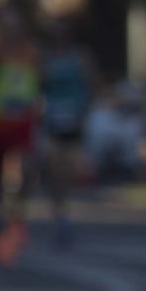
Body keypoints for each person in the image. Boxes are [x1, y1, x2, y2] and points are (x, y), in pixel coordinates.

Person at [0, 15, 43, 265]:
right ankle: (1, 224)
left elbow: (40, 83)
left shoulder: (31, 54)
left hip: (22, 123)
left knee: (18, 170)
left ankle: (15, 220)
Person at [38, 20, 98, 247]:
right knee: (55, 168)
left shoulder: (80, 56)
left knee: (70, 169)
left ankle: (65, 212)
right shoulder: (45, 58)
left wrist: (86, 108)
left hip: (75, 119)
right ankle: (60, 215)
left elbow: (92, 83)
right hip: (53, 120)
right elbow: (37, 83)